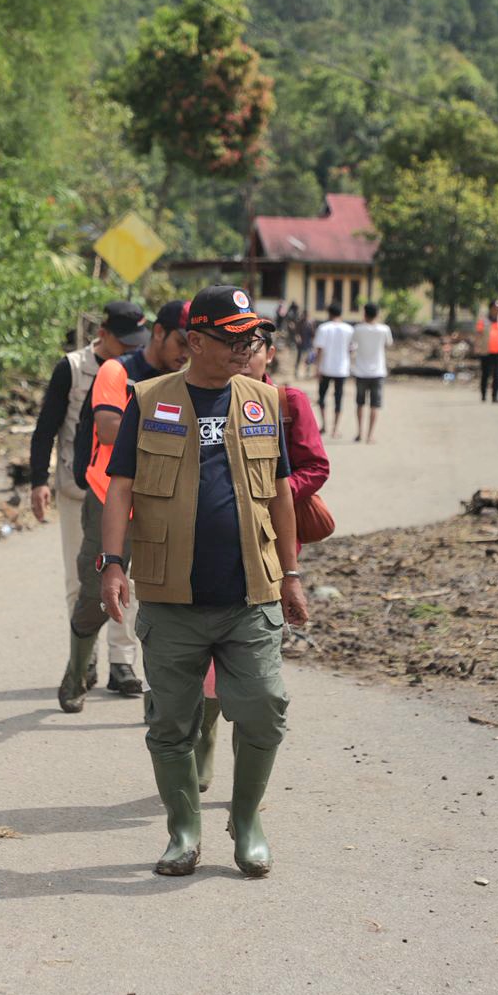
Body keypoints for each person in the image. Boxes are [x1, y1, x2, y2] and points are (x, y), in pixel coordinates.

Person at [100, 284, 311, 878]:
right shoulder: (149, 399)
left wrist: (291, 574)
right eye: (234, 337)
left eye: (253, 335)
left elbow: (278, 493)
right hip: (172, 596)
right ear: (195, 341)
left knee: (265, 705)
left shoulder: (263, 401)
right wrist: (111, 563)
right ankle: (184, 830)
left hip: (251, 592)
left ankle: (247, 821)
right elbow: (120, 487)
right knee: (171, 721)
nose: (249, 345)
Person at [193, 329, 329, 794]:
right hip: (215, 543)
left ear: (269, 353)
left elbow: (316, 467)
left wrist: (267, 497)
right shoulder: (199, 395)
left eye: (253, 348)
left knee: (256, 655)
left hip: (273, 542)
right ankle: (204, 734)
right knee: (212, 647)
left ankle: (245, 781)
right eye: (237, 346)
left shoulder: (286, 402)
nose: (244, 355)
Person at [58, 299, 189, 713]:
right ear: (159, 333)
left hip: (166, 501)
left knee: (163, 602)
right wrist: (172, 426)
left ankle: (157, 695)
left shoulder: (190, 379)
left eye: (196, 343)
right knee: (97, 595)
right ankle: (77, 672)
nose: (187, 351)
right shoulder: (119, 370)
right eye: (182, 340)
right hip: (109, 499)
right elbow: (110, 429)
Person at [29, 302, 146, 696]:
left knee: (122, 577)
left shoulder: (138, 371)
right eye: (122, 340)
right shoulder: (73, 368)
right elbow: (47, 425)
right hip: (78, 488)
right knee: (81, 579)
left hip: (123, 490)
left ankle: (122, 662)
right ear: (105, 333)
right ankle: (85, 659)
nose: (127, 348)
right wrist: (37, 480)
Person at [350, 301, 394, 443]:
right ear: (378, 314)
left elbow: (352, 344)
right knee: (375, 405)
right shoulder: (384, 329)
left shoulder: (358, 329)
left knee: (360, 403)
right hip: (378, 372)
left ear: (364, 313)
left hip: (361, 372)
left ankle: (359, 433)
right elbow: (389, 344)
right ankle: (370, 435)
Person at [311, 302, 353, 436]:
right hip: (342, 369)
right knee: (338, 398)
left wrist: (317, 368)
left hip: (325, 368)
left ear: (329, 313)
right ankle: (335, 428)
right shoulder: (349, 329)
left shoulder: (324, 328)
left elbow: (319, 350)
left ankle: (324, 425)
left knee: (322, 396)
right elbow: (351, 349)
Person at [477, 299, 498, 403]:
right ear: (491, 308)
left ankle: (495, 396)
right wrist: (476, 347)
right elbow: (478, 334)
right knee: (485, 374)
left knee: (497, 374)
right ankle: (483, 395)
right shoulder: (484, 320)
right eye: (496, 308)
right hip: (486, 351)